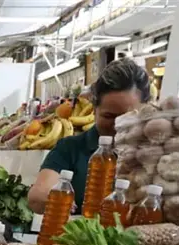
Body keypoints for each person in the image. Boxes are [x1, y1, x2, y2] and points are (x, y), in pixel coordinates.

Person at [28, 59, 151, 213]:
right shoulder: (71, 148)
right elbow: (38, 196)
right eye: (109, 116)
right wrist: (55, 199)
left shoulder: (155, 151)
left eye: (128, 116)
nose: (118, 124)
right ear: (94, 109)